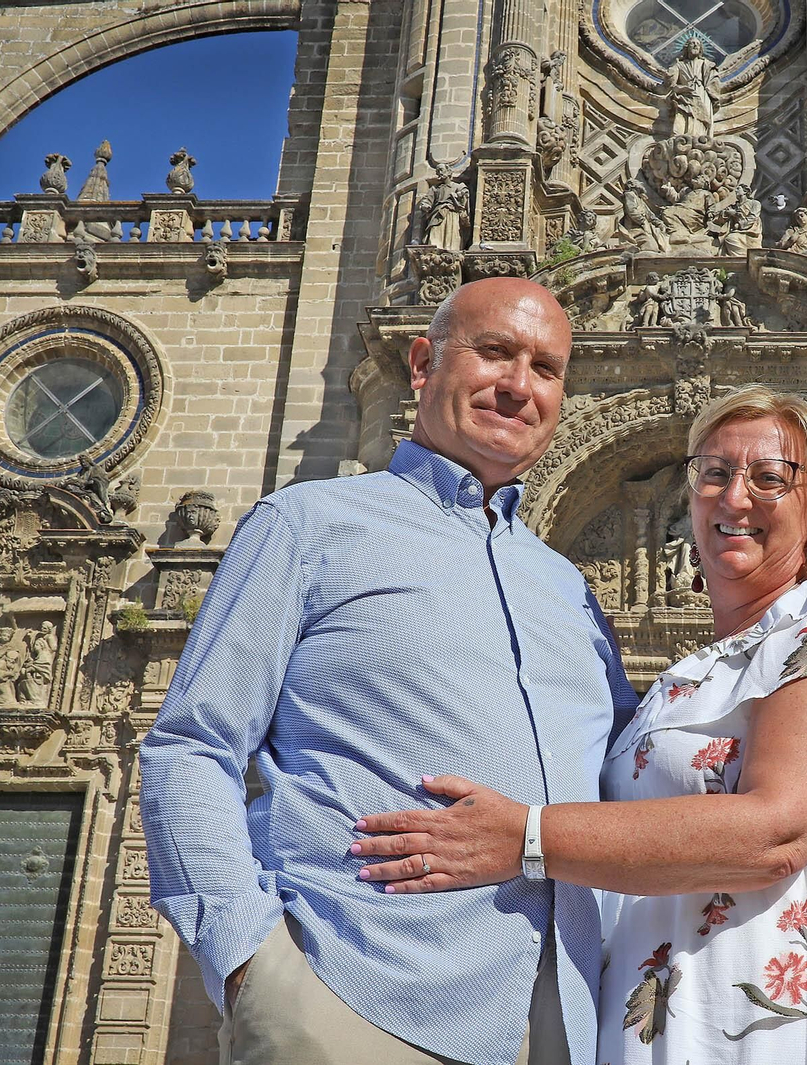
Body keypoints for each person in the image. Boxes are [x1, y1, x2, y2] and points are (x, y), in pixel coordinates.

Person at [354, 385, 807, 1064]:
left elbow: (780, 830)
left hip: (779, 999)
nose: (734, 496)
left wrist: (523, 834)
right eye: (715, 474)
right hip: (653, 1003)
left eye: (769, 478)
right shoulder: (678, 682)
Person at [139, 277, 638, 1065]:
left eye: (545, 367)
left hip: (561, 1021)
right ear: (421, 362)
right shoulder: (306, 525)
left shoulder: (567, 588)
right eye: (496, 352)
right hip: (353, 1005)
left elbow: (636, 774)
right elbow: (191, 747)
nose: (518, 385)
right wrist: (250, 967)